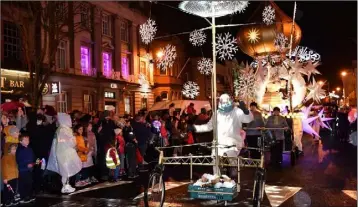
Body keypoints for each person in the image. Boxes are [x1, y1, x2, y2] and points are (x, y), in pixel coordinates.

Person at [194, 94, 253, 175]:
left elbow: (248, 119)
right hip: (219, 142)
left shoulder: (236, 111)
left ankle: (233, 174)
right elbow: (209, 126)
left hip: (232, 142)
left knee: (232, 160)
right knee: (215, 161)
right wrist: (196, 128)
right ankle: (217, 178)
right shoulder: (217, 113)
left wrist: (246, 111)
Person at [47, 113, 82, 194]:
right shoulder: (64, 130)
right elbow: (69, 142)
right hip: (65, 153)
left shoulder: (61, 129)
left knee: (66, 170)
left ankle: (66, 185)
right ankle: (65, 186)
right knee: (66, 170)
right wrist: (73, 139)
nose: (70, 121)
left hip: (63, 152)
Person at [16, 134, 35, 203]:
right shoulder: (20, 150)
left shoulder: (29, 149)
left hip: (29, 169)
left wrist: (34, 162)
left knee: (30, 182)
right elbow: (19, 160)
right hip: (23, 170)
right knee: (24, 183)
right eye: (25, 140)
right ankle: (23, 197)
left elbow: (32, 157)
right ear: (20, 141)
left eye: (28, 140)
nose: (27, 141)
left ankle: (28, 195)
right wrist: (26, 165)